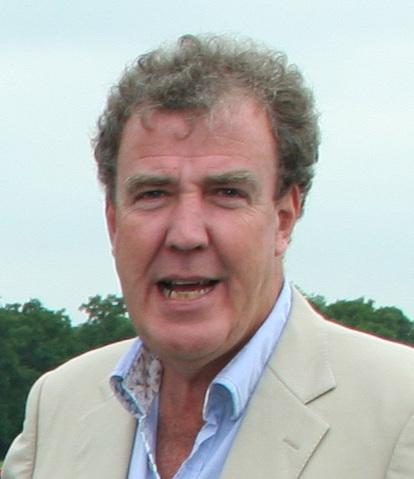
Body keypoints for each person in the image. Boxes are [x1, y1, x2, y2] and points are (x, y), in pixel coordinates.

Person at [3, 34, 414, 479]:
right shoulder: (58, 406)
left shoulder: (399, 413)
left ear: (284, 219)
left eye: (226, 193)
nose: (186, 235)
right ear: (114, 222)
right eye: (153, 193)